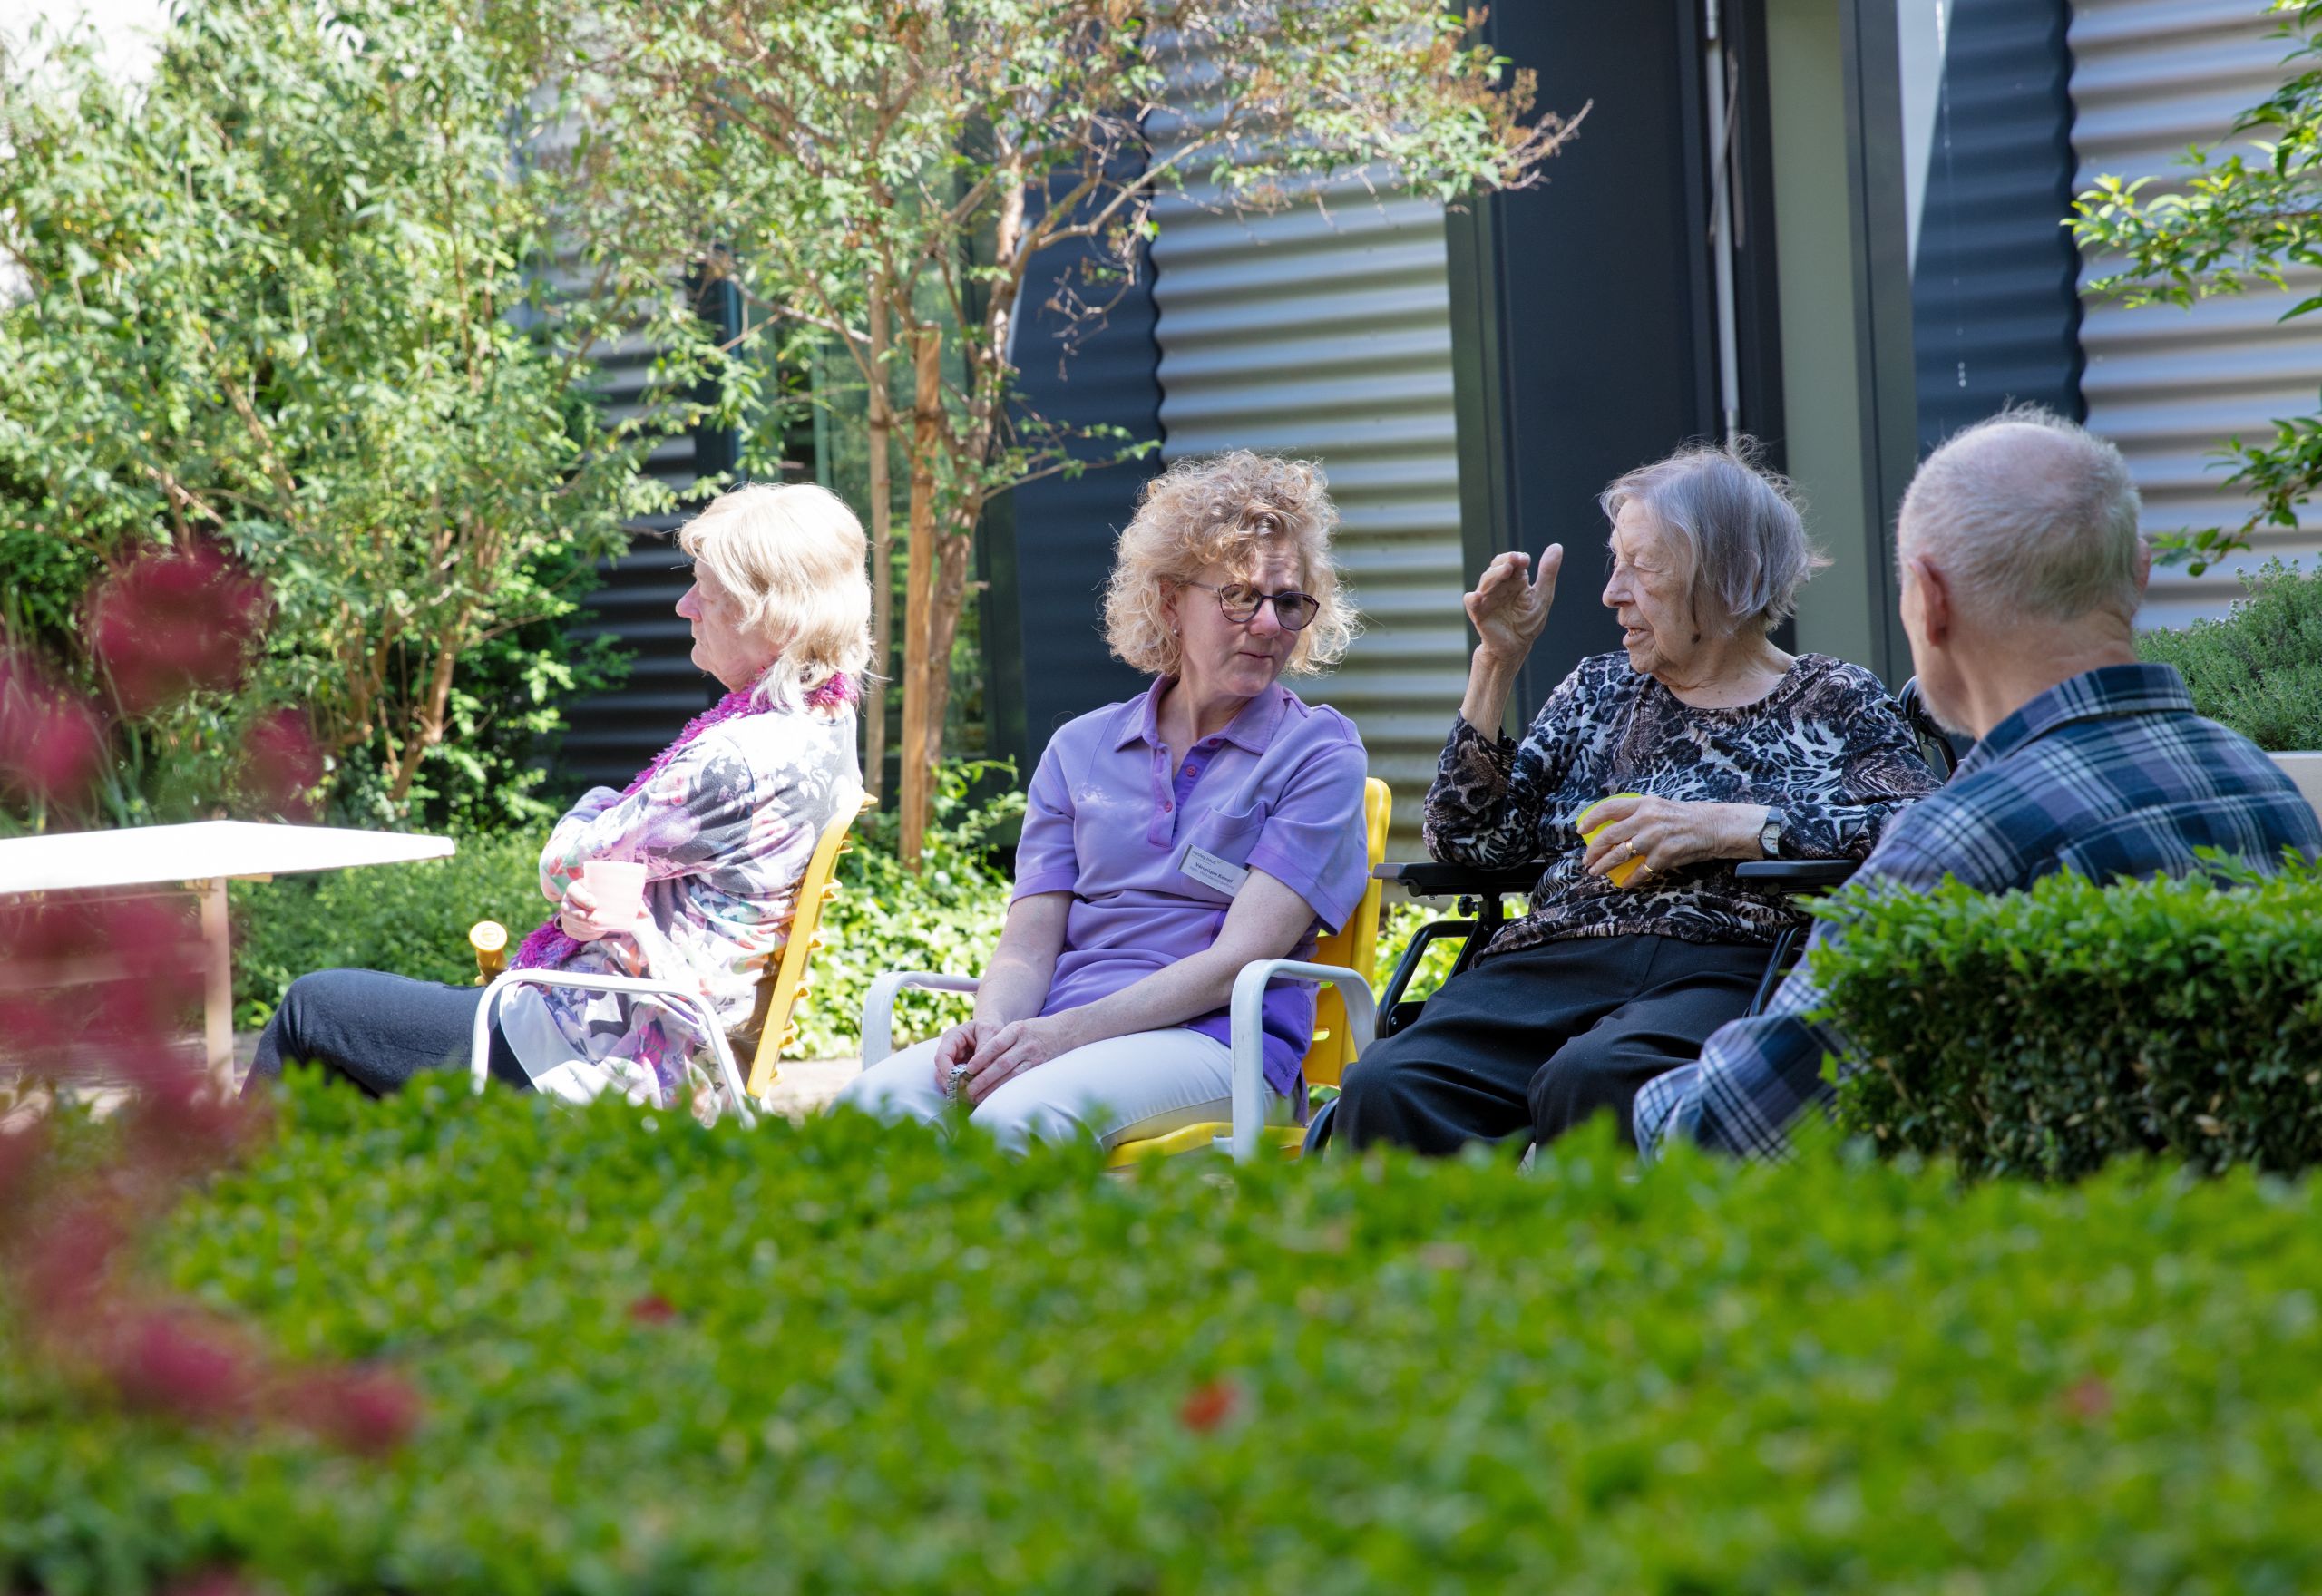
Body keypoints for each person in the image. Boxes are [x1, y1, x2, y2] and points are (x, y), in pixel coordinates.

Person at [1635, 408, 2322, 1159]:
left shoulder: (1968, 837)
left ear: (1930, 600)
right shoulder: (2260, 785)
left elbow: (1723, 1135)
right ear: (2141, 573)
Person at [1323, 442, 1939, 1155]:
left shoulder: (1833, 697)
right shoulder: (1596, 690)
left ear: (1726, 577)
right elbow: (1469, 843)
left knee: (1600, 1078)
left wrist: (1739, 827)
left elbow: (1924, 830)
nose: (1612, 592)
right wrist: (1496, 664)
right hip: (1556, 961)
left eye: (1641, 567)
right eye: (1615, 562)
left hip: (1731, 963)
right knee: (1390, 1083)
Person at [246, 482, 872, 1118]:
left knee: (311, 1010)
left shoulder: (734, 760)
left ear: (777, 619)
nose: (684, 607)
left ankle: (229, 1207)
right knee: (367, 1057)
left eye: (707, 596)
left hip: (611, 1054)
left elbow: (566, 864)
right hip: (677, 1035)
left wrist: (597, 799)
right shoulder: (827, 722)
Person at [835, 451, 1371, 1152]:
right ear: (1172, 600)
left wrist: (1062, 1036)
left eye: (1289, 601)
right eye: (1239, 596)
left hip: (1218, 1044)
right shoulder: (1079, 749)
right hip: (1062, 1033)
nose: (1269, 624)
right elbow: (1028, 948)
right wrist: (995, 1029)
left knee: (1015, 1122)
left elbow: (1238, 960)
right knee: (866, 1116)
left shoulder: (1318, 754)